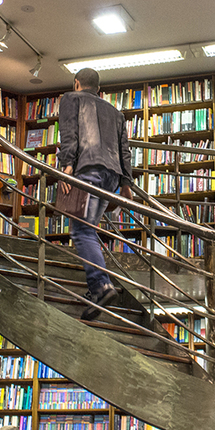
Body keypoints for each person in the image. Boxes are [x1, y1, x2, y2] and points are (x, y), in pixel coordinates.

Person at [57, 67, 133, 320]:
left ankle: (101, 285)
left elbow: (69, 133)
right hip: (111, 176)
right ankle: (95, 292)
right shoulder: (116, 113)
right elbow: (125, 150)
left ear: (76, 83)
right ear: (99, 89)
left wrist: (67, 165)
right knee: (88, 227)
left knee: (81, 230)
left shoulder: (70, 99)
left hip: (88, 170)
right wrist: (126, 183)